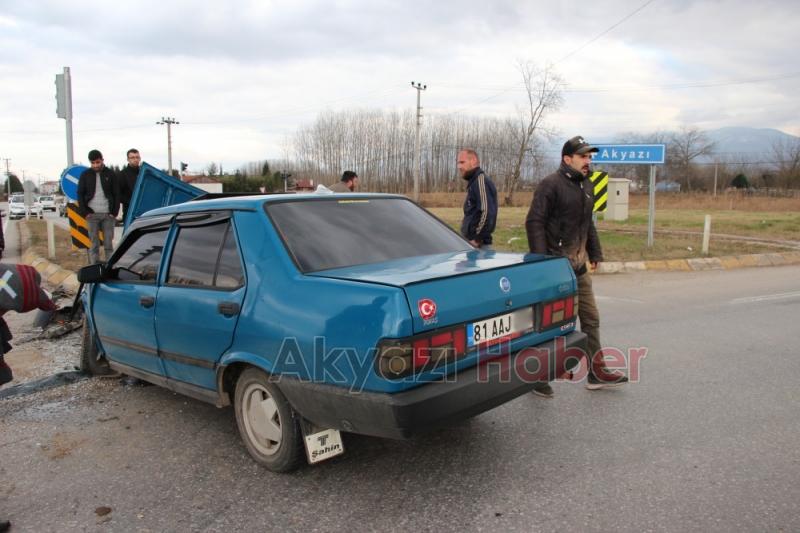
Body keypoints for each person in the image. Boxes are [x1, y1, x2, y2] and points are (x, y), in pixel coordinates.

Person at [525, 135, 628, 397]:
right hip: (555, 267)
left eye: (590, 157)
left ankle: (597, 371)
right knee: (548, 325)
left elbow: (587, 222)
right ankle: (537, 377)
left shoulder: (587, 185)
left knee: (591, 319)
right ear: (567, 159)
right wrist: (541, 263)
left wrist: (595, 252)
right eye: (583, 156)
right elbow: (534, 222)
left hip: (579, 266)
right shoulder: (550, 185)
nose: (588, 161)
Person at [77, 149, 119, 264]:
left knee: (108, 245)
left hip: (107, 215)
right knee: (94, 245)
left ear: (102, 160)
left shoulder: (110, 174)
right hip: (92, 215)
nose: (95, 165)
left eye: (98, 162)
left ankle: (110, 270)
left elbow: (116, 194)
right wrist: (85, 213)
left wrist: (114, 213)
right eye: (93, 163)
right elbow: (80, 193)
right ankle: (94, 270)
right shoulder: (85, 175)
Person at [458, 149, 497, 249]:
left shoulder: (481, 181)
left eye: (462, 162)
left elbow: (487, 212)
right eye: (458, 163)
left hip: (479, 247)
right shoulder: (474, 182)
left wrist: (477, 239)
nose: (459, 167)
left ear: (474, 161)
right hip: (469, 243)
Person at [117, 148, 142, 223]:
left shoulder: (144, 174)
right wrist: (131, 201)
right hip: (129, 212)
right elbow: (118, 194)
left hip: (144, 213)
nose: (135, 160)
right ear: (128, 159)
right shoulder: (122, 175)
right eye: (132, 158)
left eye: (137, 157)